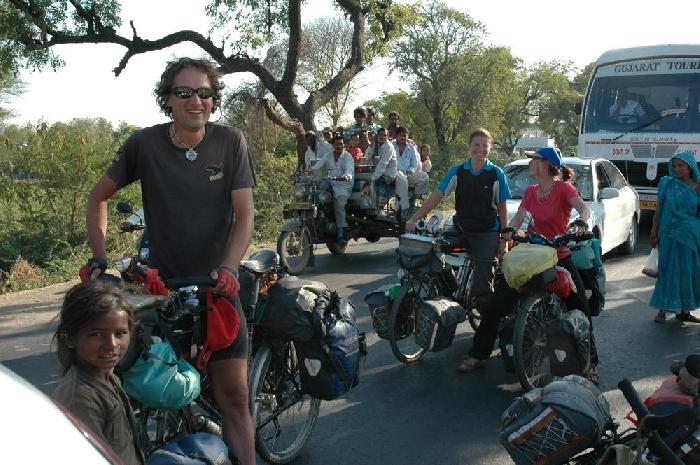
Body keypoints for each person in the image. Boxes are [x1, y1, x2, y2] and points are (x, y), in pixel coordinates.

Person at [84, 57, 256, 465]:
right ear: (168, 99)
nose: (195, 100)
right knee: (142, 385)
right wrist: (99, 258)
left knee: (233, 396)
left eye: (204, 93)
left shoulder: (230, 141)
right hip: (158, 289)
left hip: (217, 285)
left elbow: (245, 214)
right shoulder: (144, 144)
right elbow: (97, 198)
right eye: (184, 92)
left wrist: (229, 267)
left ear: (214, 100)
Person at [405, 128, 511, 372]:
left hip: (486, 232)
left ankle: (481, 345)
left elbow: (503, 207)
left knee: (483, 289)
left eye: (485, 146)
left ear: (489, 148)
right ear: (469, 147)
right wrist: (415, 217)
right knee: (435, 252)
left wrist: (503, 238)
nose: (480, 149)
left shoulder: (496, 174)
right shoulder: (458, 171)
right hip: (461, 227)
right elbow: (437, 197)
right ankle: (450, 294)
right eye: (476, 145)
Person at [505, 146, 599, 382]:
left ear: (546, 164)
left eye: (534, 160)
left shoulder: (563, 188)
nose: (530, 164)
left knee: (580, 308)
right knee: (506, 292)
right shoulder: (530, 191)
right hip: (536, 253)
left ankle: (590, 364)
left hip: (559, 254)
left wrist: (581, 222)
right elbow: (519, 217)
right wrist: (510, 230)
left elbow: (584, 208)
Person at [53, 281, 145, 465]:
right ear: (70, 338)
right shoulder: (79, 399)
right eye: (96, 334)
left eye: (120, 333)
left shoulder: (107, 378)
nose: (111, 344)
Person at [650, 151, 700, 323]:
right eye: (675, 166)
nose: (677, 169)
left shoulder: (697, 187)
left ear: (690, 167)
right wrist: (653, 231)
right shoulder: (667, 184)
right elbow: (659, 210)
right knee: (667, 270)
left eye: (681, 165)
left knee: (687, 271)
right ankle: (662, 310)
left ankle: (685, 311)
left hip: (689, 235)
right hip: (668, 234)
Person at [311, 133, 354, 245]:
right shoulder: (328, 155)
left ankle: (341, 233)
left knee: (339, 205)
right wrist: (308, 172)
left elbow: (349, 171)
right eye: (336, 144)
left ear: (344, 145)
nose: (338, 146)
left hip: (344, 186)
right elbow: (317, 166)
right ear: (333, 145)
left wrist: (345, 176)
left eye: (341, 144)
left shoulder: (348, 157)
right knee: (314, 193)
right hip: (331, 183)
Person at [392, 126, 429, 212]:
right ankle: (401, 208)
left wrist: (410, 171)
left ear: (407, 137)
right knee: (402, 179)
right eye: (400, 135)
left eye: (405, 136)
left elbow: (414, 164)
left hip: (408, 173)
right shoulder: (391, 145)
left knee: (424, 176)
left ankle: (413, 200)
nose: (403, 138)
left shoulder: (411, 147)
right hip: (394, 173)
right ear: (396, 136)